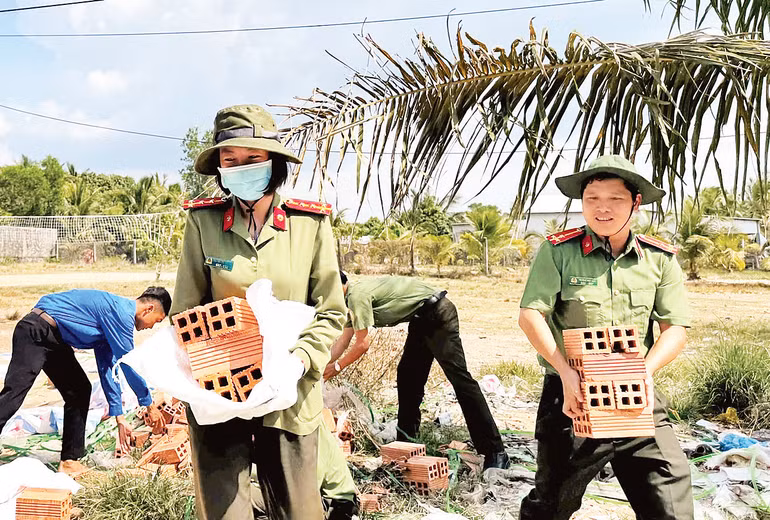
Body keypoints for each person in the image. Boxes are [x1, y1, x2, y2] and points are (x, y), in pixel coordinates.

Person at [171, 104, 346, 520]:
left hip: (290, 394)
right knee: (225, 512)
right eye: (230, 160)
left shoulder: (309, 224)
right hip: (220, 391)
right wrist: (197, 368)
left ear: (273, 163)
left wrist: (299, 361)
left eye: (252, 158)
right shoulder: (204, 223)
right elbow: (185, 310)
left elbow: (331, 310)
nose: (241, 168)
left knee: (298, 511)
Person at [517, 154, 693, 520]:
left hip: (638, 396)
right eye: (592, 198)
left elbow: (674, 329)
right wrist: (566, 373)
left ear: (635, 203)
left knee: (670, 496)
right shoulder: (558, 252)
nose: (602, 208)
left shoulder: (659, 259)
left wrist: (644, 372)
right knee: (552, 503)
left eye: (615, 199)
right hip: (572, 396)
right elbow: (531, 315)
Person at [324, 273, 510, 470]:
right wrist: (320, 366)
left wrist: (336, 367)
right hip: (420, 318)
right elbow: (344, 341)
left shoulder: (356, 296)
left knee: (461, 381)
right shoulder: (350, 301)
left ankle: (495, 452)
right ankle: (406, 443)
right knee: (408, 377)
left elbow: (362, 344)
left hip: (437, 313)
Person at [0, 287, 170, 476]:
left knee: (79, 390)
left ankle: (69, 461)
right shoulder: (121, 314)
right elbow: (128, 364)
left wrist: (119, 417)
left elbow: (109, 368)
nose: (151, 327)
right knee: (14, 393)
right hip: (36, 330)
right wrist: (149, 405)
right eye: (157, 321)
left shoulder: (114, 319)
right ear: (149, 309)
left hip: (54, 338)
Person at [251, 423, 358, 520]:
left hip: (333, 505)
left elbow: (307, 483)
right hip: (315, 497)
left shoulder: (308, 431)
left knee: (249, 496)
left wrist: (253, 474)